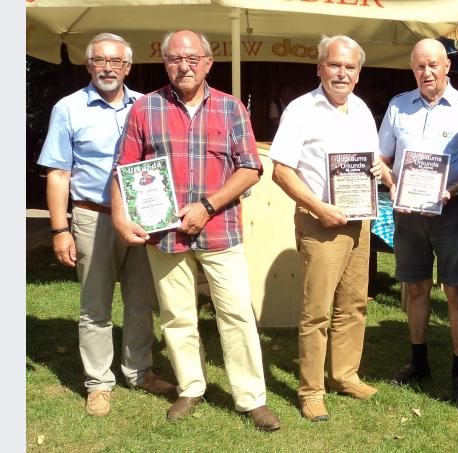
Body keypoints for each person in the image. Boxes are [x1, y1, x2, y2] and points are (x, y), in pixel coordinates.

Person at [110, 30, 280, 432]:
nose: (182, 66)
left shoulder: (230, 108)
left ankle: (250, 397)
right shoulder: (145, 109)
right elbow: (124, 168)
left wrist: (207, 206)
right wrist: (119, 217)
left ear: (207, 63)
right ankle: (191, 386)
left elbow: (251, 168)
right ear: (164, 62)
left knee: (236, 313)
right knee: (176, 315)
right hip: (164, 235)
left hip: (220, 230)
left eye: (191, 58)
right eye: (173, 59)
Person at [37, 32, 175, 417]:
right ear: (88, 65)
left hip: (142, 218)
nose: (108, 68)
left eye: (116, 62)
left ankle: (139, 371)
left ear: (128, 67)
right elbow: (58, 173)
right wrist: (59, 228)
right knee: (95, 306)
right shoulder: (69, 108)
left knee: (140, 300)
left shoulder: (148, 106)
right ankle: (99, 382)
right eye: (100, 60)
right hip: (91, 217)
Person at [271, 35, 394, 423]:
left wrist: (381, 170)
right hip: (320, 221)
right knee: (317, 311)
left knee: (355, 303)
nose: (342, 73)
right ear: (320, 67)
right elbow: (281, 171)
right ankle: (311, 390)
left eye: (350, 67)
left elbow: (371, 161)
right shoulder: (300, 109)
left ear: (358, 74)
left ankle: (344, 374)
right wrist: (318, 207)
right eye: (335, 65)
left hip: (359, 220)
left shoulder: (359, 109)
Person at [378, 38, 458, 402]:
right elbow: (383, 159)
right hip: (408, 214)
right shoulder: (397, 107)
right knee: (417, 287)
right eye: (420, 66)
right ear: (413, 69)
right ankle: (418, 361)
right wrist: (391, 185)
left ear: (447, 67)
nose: (427, 72)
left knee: (455, 290)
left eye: (433, 65)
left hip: (452, 212)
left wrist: (453, 191)